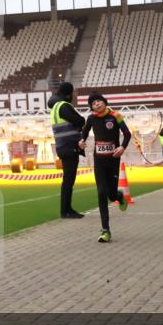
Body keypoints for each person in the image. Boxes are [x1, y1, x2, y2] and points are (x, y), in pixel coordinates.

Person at [78, 93, 131, 243]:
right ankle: (105, 230)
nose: (97, 104)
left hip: (113, 159)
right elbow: (84, 132)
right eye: (93, 103)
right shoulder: (91, 118)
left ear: (104, 102)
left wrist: (122, 147)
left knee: (111, 195)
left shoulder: (116, 116)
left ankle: (119, 196)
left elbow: (127, 134)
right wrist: (81, 140)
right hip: (99, 161)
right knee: (101, 193)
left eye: (99, 101)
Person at [48, 82, 86, 219]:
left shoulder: (55, 107)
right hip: (69, 146)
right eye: (72, 92)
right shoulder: (63, 106)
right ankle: (66, 210)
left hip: (62, 146)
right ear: (69, 93)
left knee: (68, 180)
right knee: (69, 181)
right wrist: (81, 122)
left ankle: (66, 209)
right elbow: (79, 120)